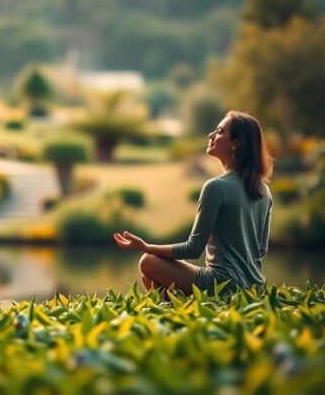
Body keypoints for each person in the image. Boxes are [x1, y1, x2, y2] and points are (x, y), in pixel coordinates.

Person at [113, 110, 273, 294]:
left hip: (222, 283)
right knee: (154, 278)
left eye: (220, 131)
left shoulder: (216, 187)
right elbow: (261, 250)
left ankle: (169, 307)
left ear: (235, 145)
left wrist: (146, 247)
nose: (211, 135)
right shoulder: (264, 191)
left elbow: (193, 249)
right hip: (255, 286)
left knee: (148, 261)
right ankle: (173, 304)